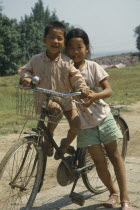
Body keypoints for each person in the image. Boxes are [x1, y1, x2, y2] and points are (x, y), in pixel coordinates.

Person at [65, 28, 133, 210]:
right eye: (71, 48)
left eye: (79, 47)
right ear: (66, 50)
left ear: (86, 48)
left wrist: (95, 96)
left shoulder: (93, 66)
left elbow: (108, 91)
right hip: (85, 124)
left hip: (103, 117)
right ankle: (113, 192)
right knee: (99, 162)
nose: (75, 51)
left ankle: (125, 198)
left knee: (115, 156)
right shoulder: (65, 70)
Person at [18, 21, 90, 158]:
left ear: (64, 42)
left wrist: (83, 88)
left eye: (59, 38)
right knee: (56, 110)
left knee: (76, 123)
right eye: (51, 37)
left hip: (66, 100)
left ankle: (64, 145)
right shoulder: (36, 59)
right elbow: (24, 70)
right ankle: (48, 139)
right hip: (44, 100)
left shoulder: (67, 62)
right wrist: (26, 78)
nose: (55, 41)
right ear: (44, 39)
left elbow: (76, 77)